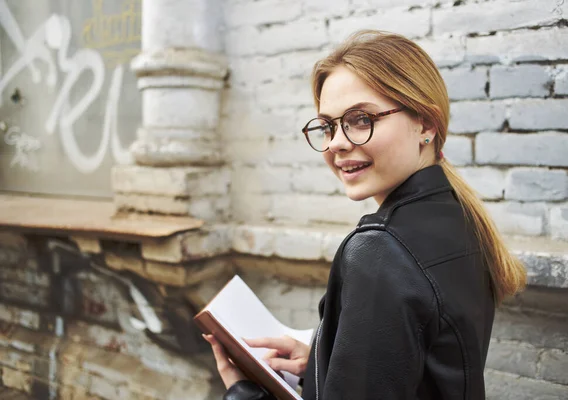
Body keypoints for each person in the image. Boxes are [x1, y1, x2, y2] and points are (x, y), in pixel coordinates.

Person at [204, 30, 527, 400]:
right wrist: (325, 361)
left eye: (360, 119)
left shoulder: (379, 252)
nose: (337, 142)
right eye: (328, 125)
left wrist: (246, 392)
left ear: (425, 124)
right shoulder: (459, 217)